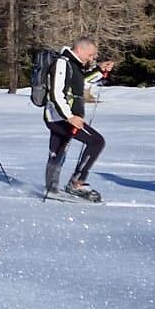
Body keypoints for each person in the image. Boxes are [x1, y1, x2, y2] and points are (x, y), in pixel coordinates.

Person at [43, 37, 112, 202]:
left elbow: (82, 83)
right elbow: (56, 93)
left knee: (59, 148)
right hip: (61, 117)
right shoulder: (62, 63)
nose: (92, 58)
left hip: (64, 117)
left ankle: (51, 188)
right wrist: (70, 116)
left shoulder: (74, 65)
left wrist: (100, 71)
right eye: (91, 55)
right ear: (80, 50)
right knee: (96, 142)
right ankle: (77, 182)